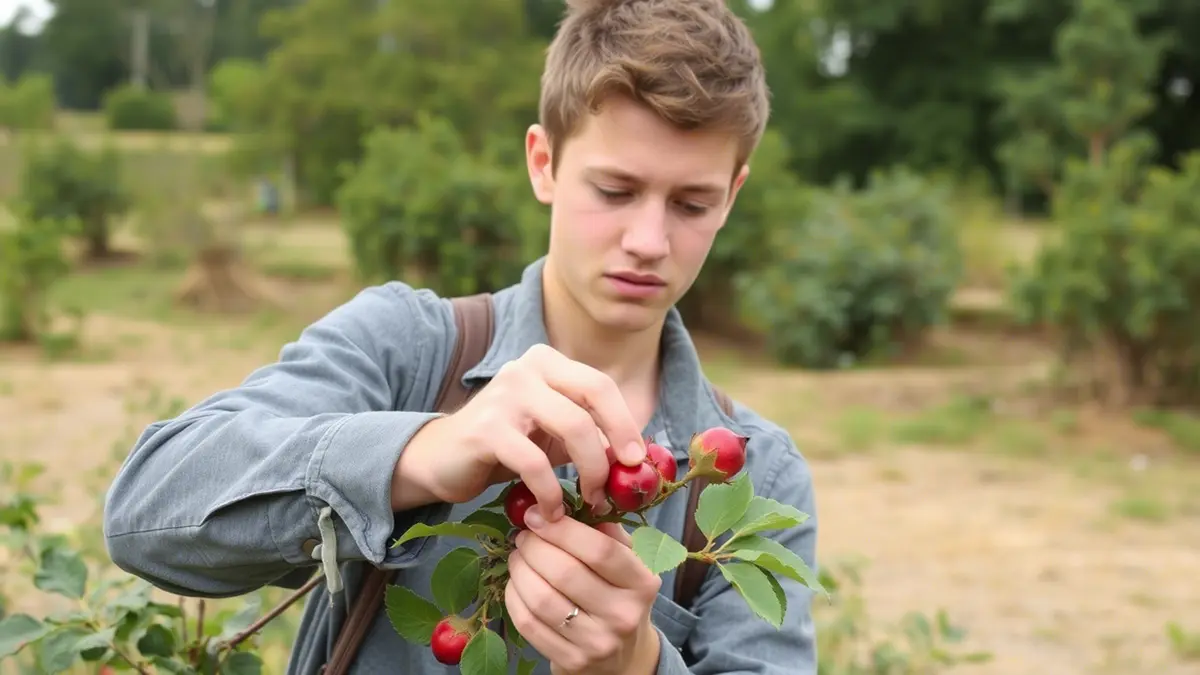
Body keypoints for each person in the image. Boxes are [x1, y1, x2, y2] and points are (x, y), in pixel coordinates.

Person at [102, 0, 820, 673]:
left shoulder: (756, 474)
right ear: (543, 162)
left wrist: (636, 660)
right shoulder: (407, 345)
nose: (648, 240)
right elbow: (146, 509)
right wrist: (417, 453)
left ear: (733, 196)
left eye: (692, 203)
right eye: (615, 191)